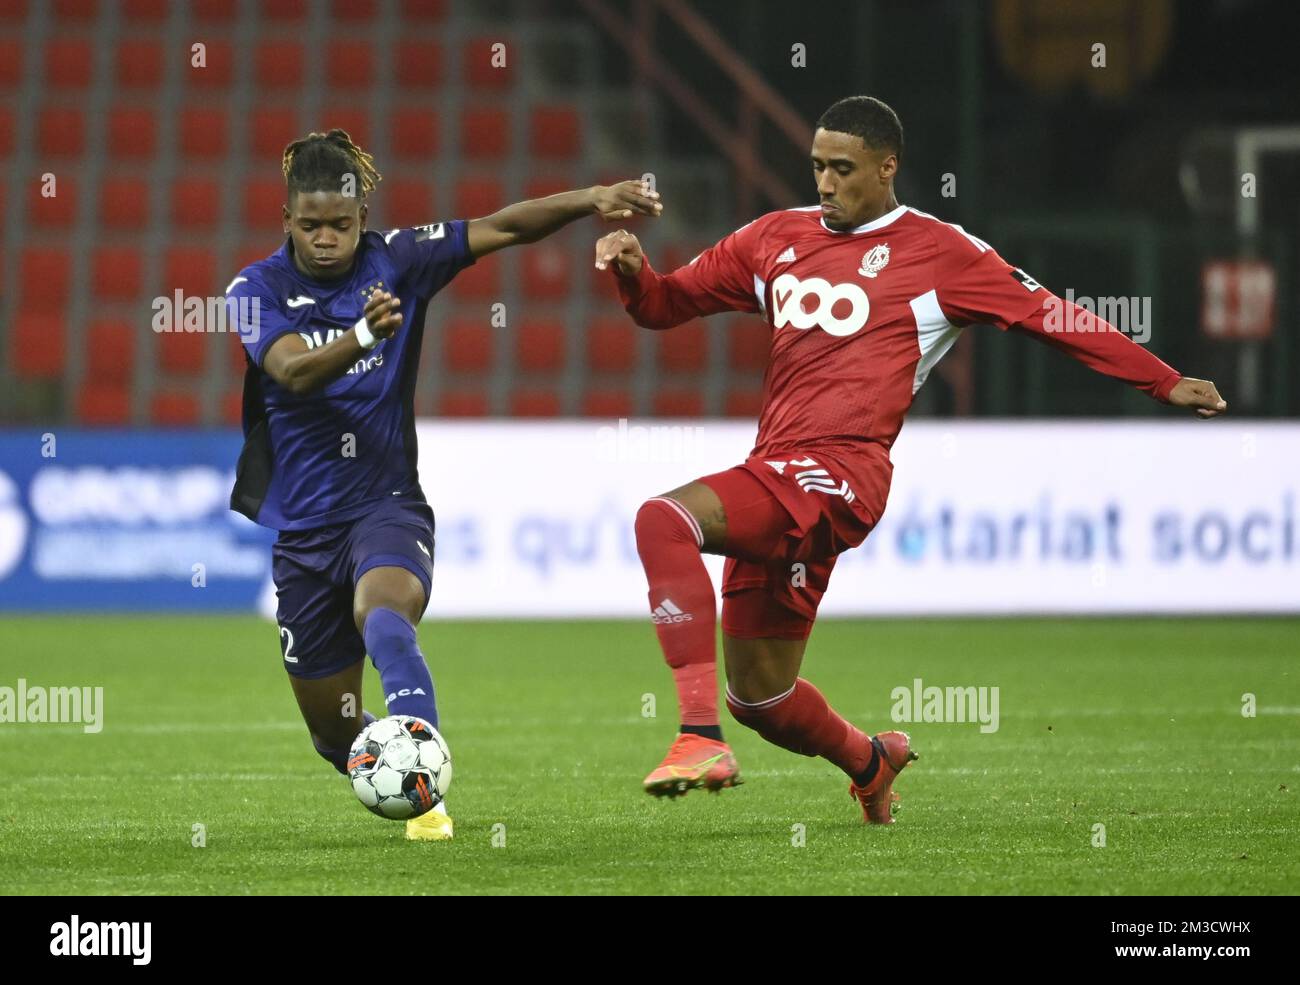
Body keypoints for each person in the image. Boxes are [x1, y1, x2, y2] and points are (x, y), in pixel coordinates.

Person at [594, 96, 1226, 823]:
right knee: (762, 697)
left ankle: (697, 736)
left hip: (841, 473)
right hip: (780, 471)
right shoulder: (774, 238)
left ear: (887, 166)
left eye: (842, 169)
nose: (826, 184)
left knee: (663, 519)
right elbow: (665, 305)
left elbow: (1048, 312)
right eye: (817, 167)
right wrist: (634, 272)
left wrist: (1161, 377)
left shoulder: (941, 251)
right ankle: (871, 760)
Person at [228, 128, 661, 840]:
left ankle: (425, 783)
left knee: (385, 616)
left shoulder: (399, 259)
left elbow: (503, 226)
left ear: (363, 215)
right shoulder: (253, 288)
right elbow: (291, 372)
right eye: (310, 226)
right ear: (286, 221)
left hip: (386, 506)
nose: (326, 239)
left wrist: (592, 198)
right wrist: (364, 339)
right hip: (303, 532)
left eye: (340, 223)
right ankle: (390, 761)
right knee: (335, 738)